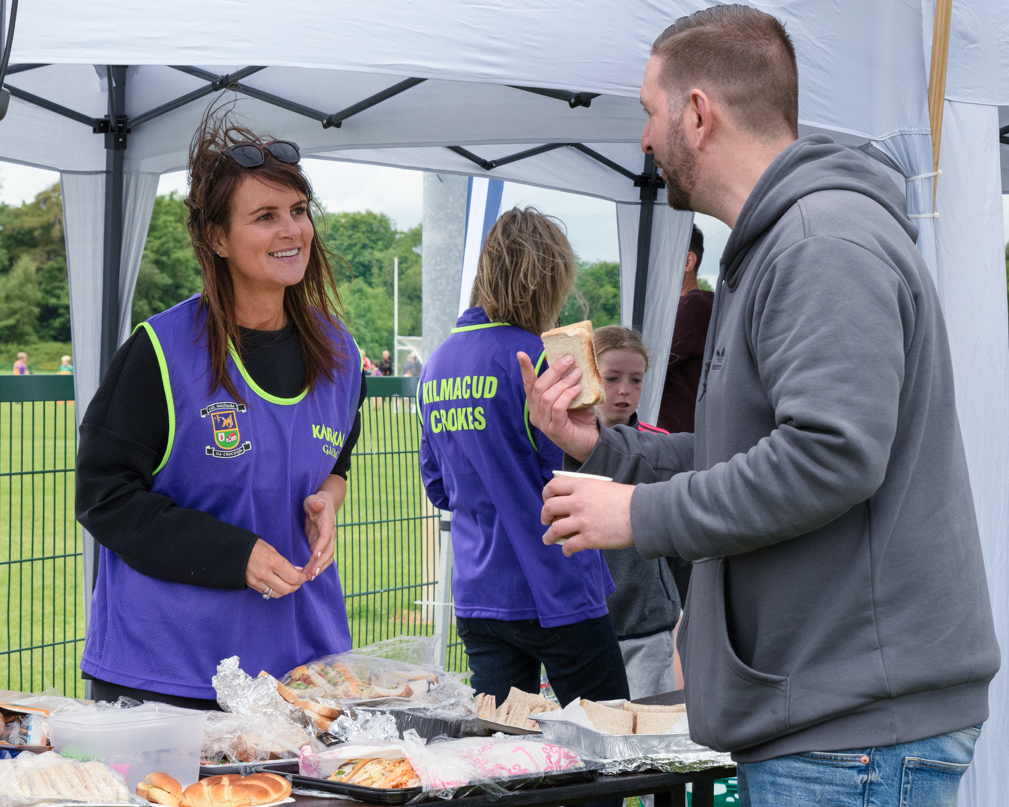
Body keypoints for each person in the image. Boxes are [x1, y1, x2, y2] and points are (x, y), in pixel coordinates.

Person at [519, 6, 999, 806]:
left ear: (698, 114)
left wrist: (638, 513)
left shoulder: (819, 241)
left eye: (648, 111)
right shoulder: (780, 243)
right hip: (831, 719)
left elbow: (826, 455)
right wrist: (604, 448)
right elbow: (740, 450)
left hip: (853, 731)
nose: (642, 138)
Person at [76, 110, 367, 710]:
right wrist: (237, 555)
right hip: (168, 676)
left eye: (298, 210)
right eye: (265, 217)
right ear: (217, 238)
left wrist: (329, 499)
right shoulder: (161, 351)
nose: (292, 230)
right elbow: (103, 497)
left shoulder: (338, 352)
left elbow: (337, 454)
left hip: (296, 675)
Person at [418, 207, 628, 709]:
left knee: (506, 761)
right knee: (606, 747)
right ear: (551, 279)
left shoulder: (437, 364)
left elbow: (438, 487)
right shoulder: (541, 358)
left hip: (479, 591)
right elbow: (579, 467)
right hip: (554, 583)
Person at [593, 326, 679, 700]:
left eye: (636, 379)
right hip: (588, 622)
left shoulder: (659, 445)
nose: (624, 390)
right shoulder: (560, 451)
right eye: (611, 379)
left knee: (646, 733)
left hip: (648, 620)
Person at [656, 224, 712, 435]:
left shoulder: (691, 308)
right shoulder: (708, 305)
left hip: (677, 441)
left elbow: (645, 363)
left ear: (688, 262)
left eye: (661, 254)